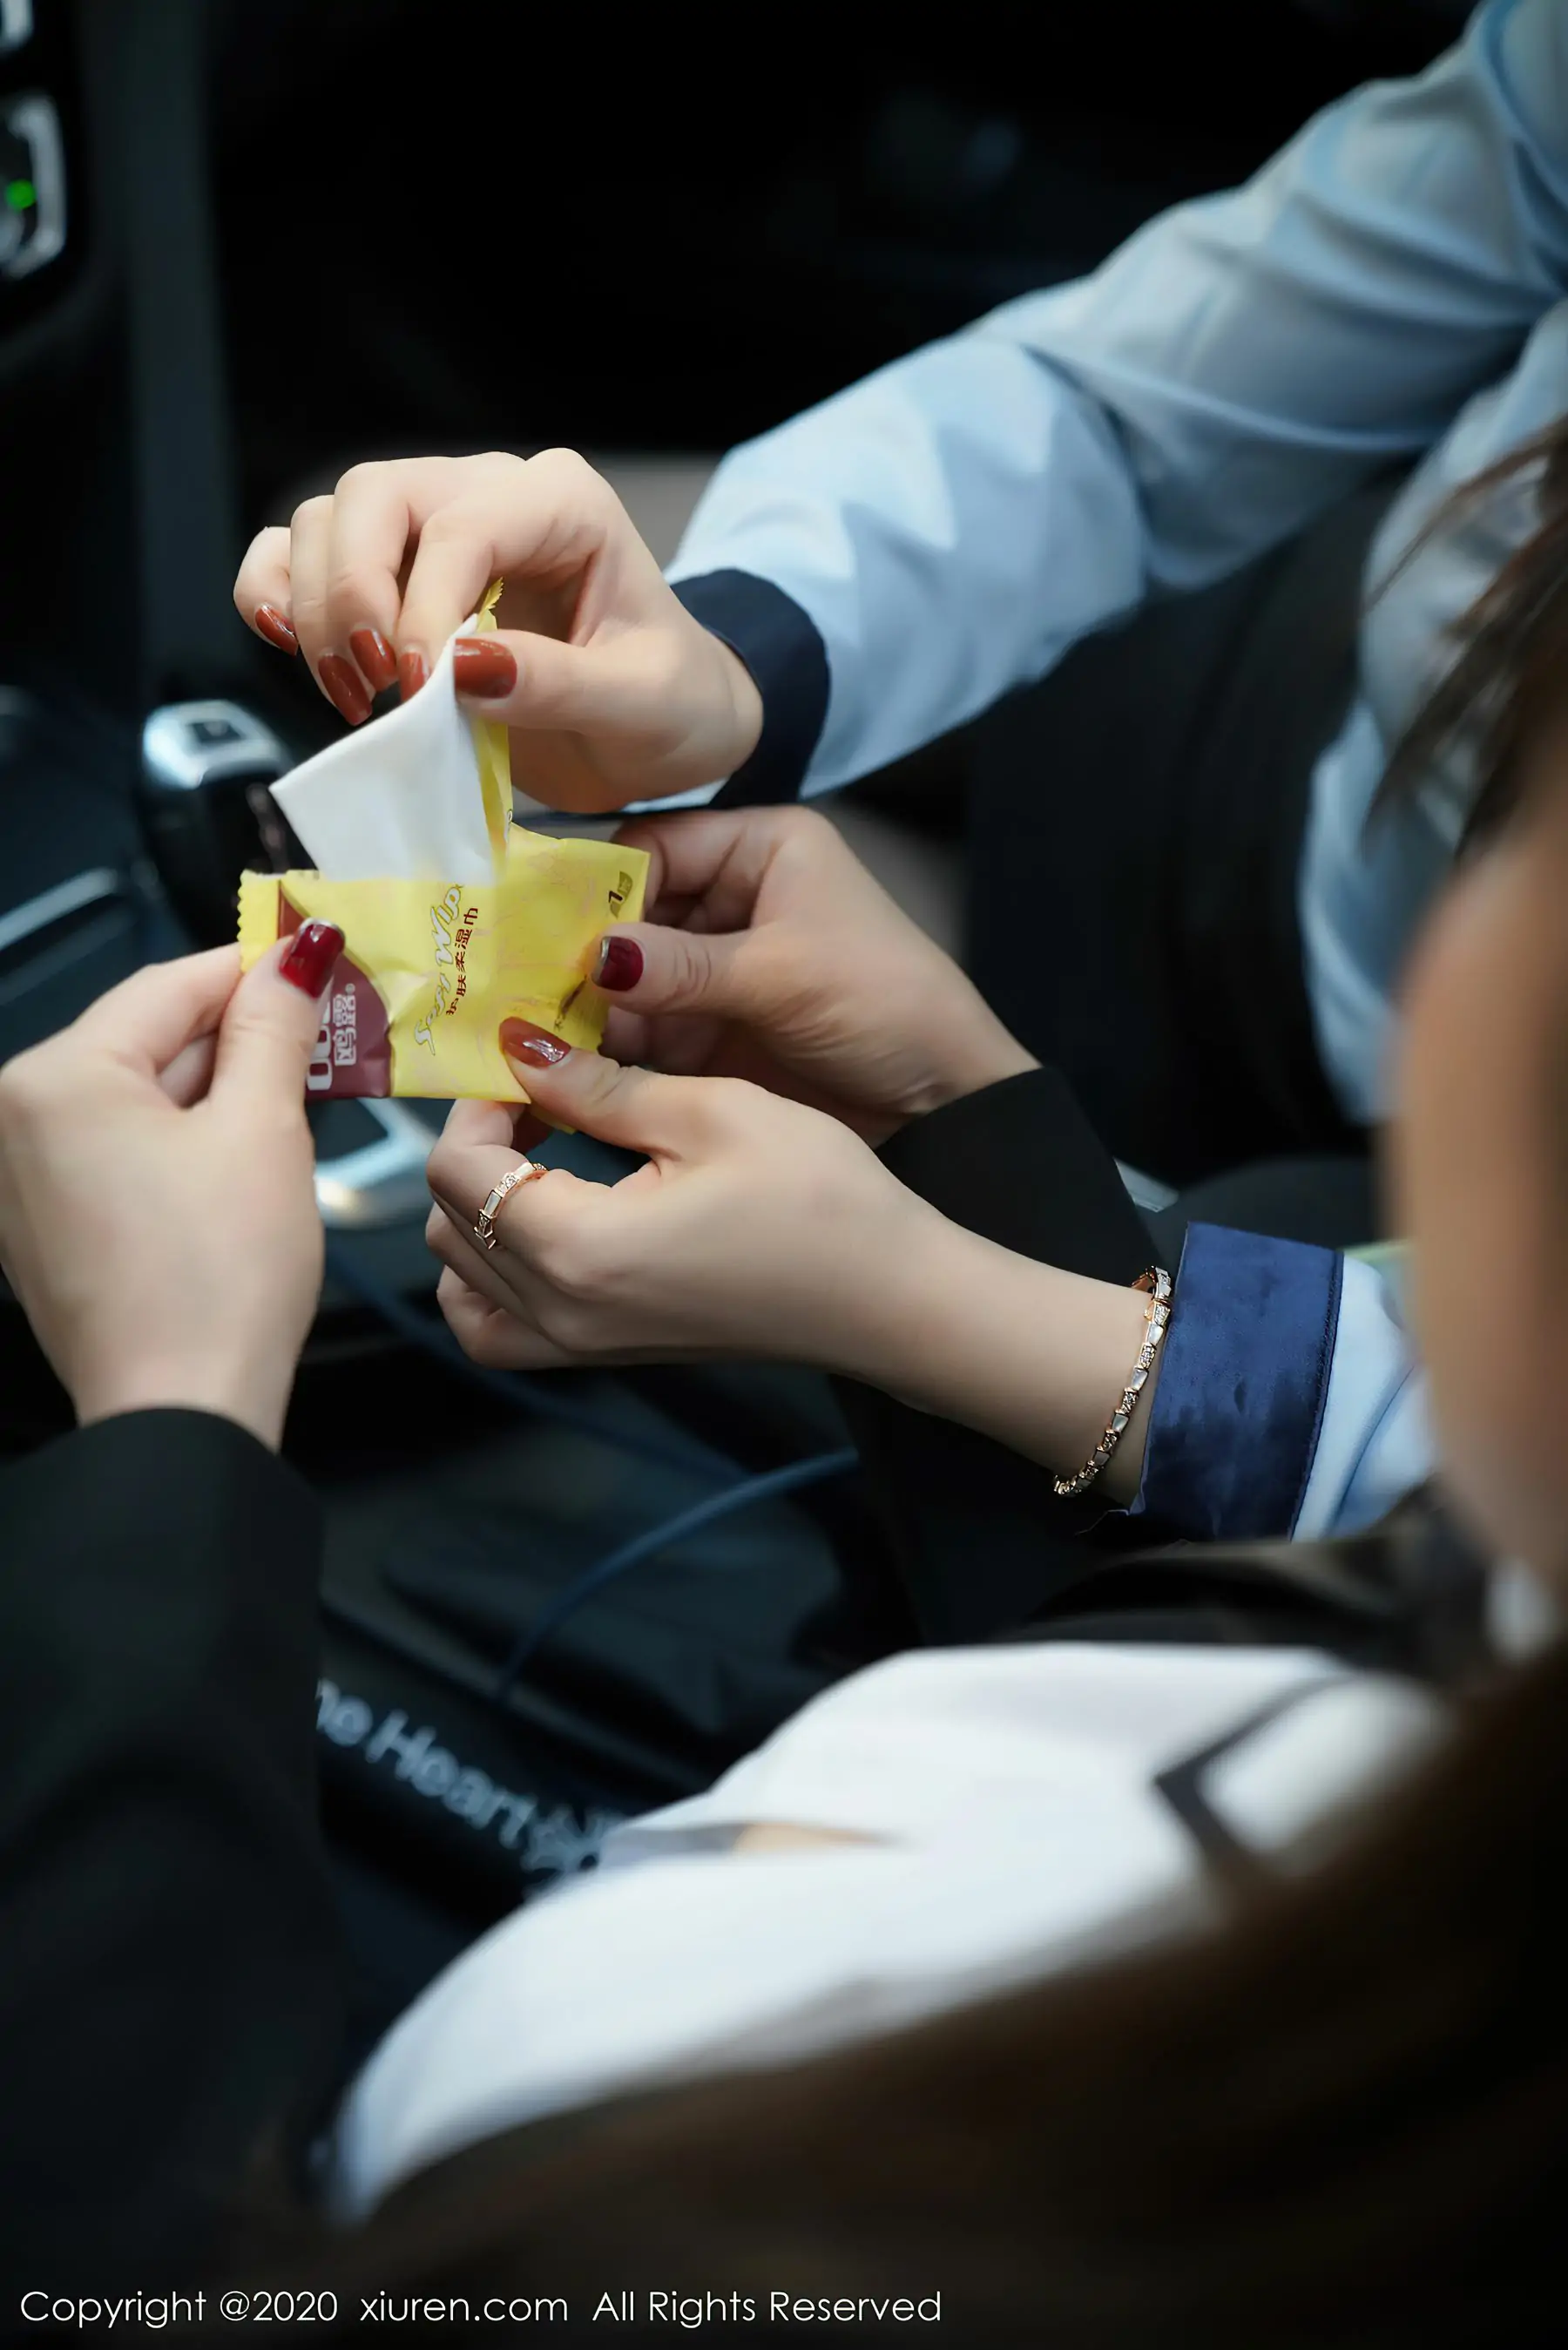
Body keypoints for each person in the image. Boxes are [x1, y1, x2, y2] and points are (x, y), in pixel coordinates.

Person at [3, 422, 1568, 2344]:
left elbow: (120, 2265)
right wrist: (959, 1149)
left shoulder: (719, 2195)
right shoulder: (1461, 1671)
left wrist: (165, 1436)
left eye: (1510, 847)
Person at [234, 0, 1568, 1195]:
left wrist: (1011, 1208)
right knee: (332, 541)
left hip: (1325, 1125)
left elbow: (1318, 1359)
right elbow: (1131, 406)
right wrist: (734, 658)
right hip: (1246, 645)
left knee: (617, 986)